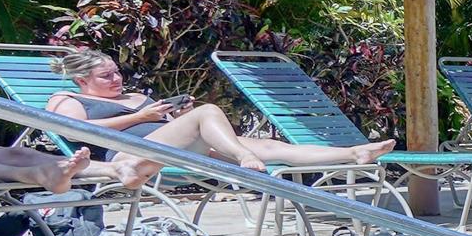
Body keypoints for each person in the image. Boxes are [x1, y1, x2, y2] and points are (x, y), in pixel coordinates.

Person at [45, 49, 393, 187]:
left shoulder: (133, 97)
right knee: (209, 112)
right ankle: (242, 157)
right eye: (107, 76)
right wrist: (141, 116)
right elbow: (76, 131)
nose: (117, 79)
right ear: (82, 80)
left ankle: (352, 154)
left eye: (117, 72)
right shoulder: (67, 99)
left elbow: (160, 124)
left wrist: (171, 115)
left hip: (172, 148)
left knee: (269, 144)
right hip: (129, 157)